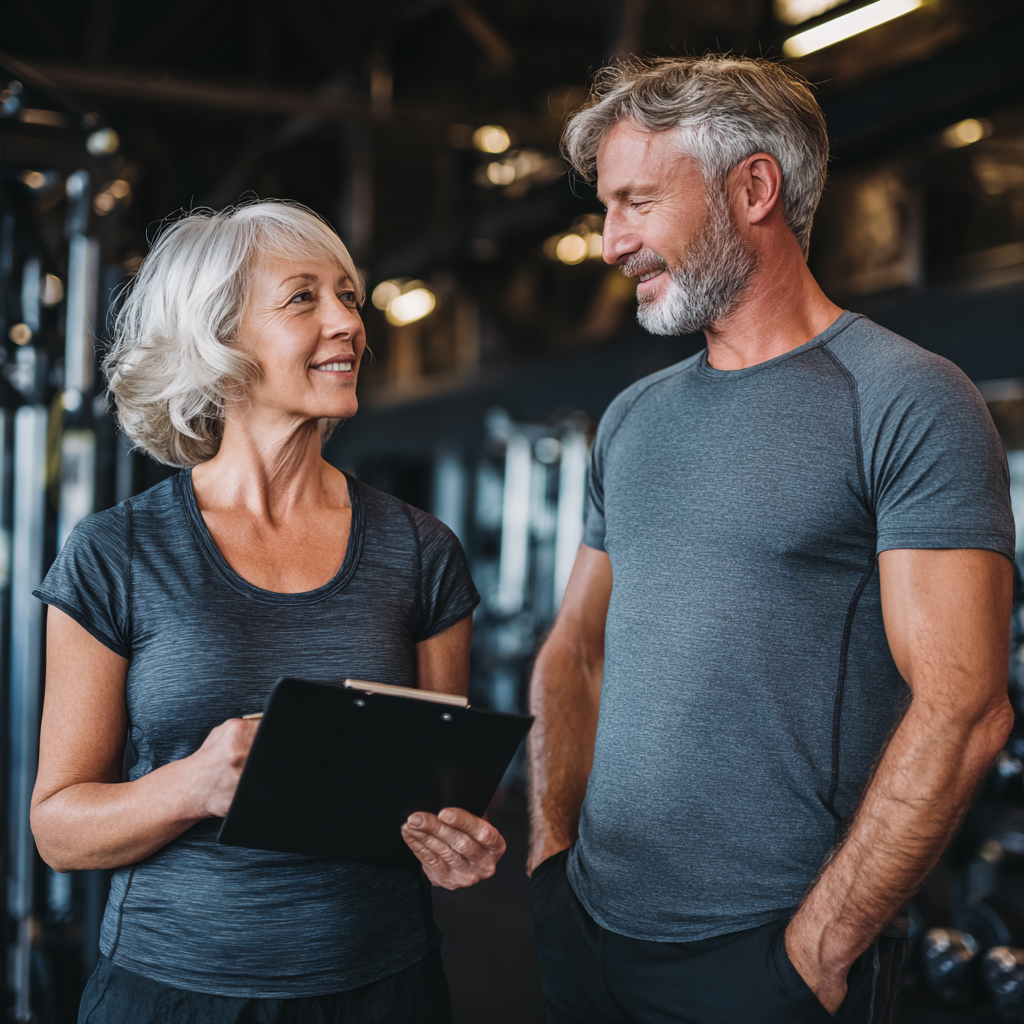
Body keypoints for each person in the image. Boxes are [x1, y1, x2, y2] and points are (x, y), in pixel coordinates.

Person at [526, 55, 1016, 1024]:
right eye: (605, 207)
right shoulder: (630, 417)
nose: (610, 239)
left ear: (754, 186)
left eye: (635, 201)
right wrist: (550, 860)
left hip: (766, 957)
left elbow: (964, 707)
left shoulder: (905, 399)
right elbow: (575, 648)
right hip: (588, 929)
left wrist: (815, 954)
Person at [31, 200, 504, 1024]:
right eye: (303, 298)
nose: (348, 324)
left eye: (350, 297)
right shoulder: (118, 553)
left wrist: (456, 842)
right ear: (218, 340)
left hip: (382, 988)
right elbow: (59, 829)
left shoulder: (422, 550)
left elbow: (439, 788)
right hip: (172, 992)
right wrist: (193, 784)